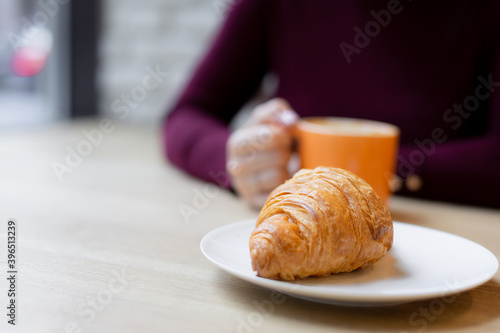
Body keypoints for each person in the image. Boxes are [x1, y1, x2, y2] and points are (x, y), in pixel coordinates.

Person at [163, 0, 500, 209]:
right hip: (300, 222)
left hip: (444, 239)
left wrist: (379, 170)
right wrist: (240, 160)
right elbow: (188, 114)